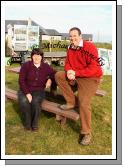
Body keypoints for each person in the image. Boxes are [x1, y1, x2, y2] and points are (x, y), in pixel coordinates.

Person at [55, 27, 103, 145]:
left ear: (80, 36)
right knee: (59, 75)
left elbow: (94, 68)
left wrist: (76, 73)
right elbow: (67, 64)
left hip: (91, 78)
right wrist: (69, 71)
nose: (72, 38)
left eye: (75, 36)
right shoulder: (70, 47)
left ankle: (86, 132)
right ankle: (71, 102)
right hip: (77, 75)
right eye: (70, 36)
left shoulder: (89, 47)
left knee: (84, 102)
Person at [18, 48, 56, 131]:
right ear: (32, 56)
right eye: (34, 55)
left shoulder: (45, 66)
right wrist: (27, 93)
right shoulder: (26, 65)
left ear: (41, 57)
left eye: (39, 55)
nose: (36, 57)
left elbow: (54, 73)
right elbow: (21, 80)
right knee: (24, 102)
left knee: (35, 102)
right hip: (25, 89)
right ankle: (28, 124)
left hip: (39, 90)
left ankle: (34, 124)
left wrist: (50, 79)